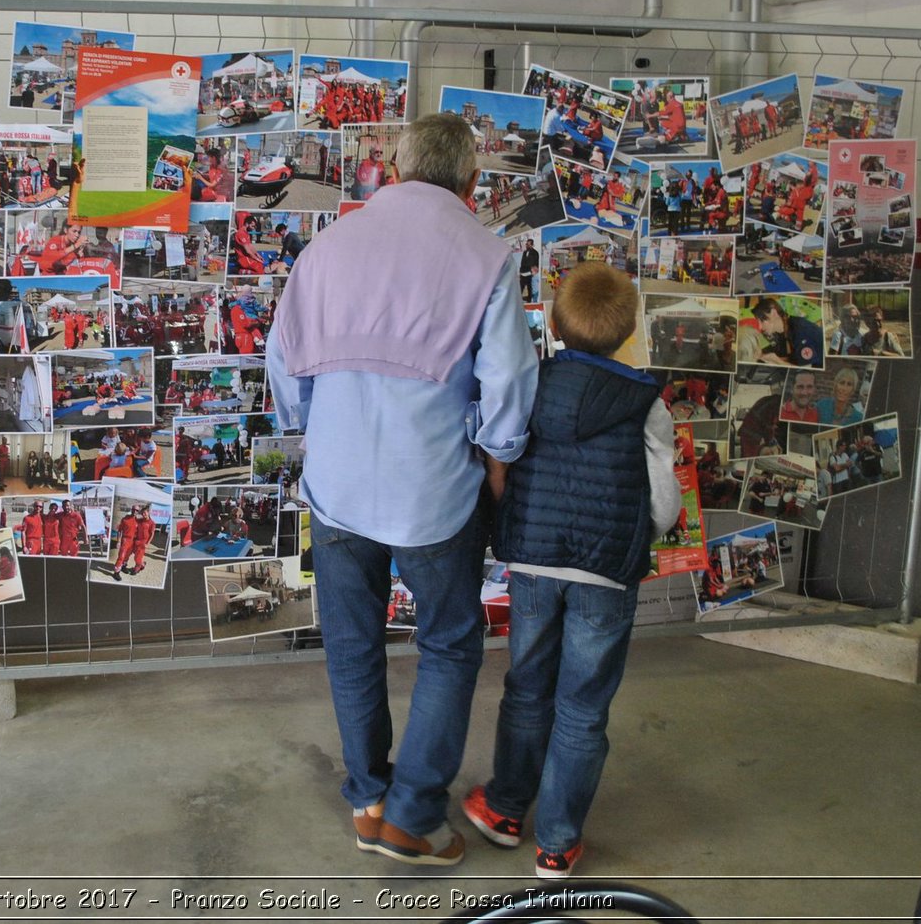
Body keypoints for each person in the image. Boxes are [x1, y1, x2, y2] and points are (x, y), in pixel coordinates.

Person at [266, 112, 538, 868]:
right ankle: (414, 816)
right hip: (434, 490)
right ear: (472, 181)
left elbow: (284, 365)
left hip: (337, 483)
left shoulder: (327, 246)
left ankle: (368, 798)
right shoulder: (487, 255)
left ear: (389, 165)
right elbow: (511, 378)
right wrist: (499, 456)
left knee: (352, 646)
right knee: (449, 645)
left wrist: (315, 428)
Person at [462, 261, 681, 880]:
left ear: (553, 323)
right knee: (583, 709)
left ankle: (505, 810)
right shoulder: (646, 403)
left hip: (533, 563)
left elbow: (501, 459)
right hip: (606, 575)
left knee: (527, 687)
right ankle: (556, 845)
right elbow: (663, 511)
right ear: (628, 328)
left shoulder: (532, 384)